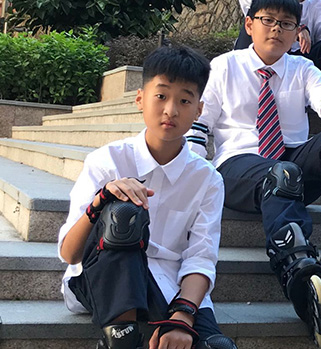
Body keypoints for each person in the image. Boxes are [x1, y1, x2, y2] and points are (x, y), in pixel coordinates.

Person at [186, 0, 321, 345]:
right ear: (249, 25)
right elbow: (198, 126)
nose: (276, 29)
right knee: (284, 173)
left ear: (298, 32)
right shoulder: (224, 66)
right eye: (268, 21)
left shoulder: (302, 68)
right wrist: (190, 181)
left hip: (292, 166)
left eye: (286, 24)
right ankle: (295, 268)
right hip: (237, 168)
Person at [58, 45, 236, 349]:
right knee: (124, 214)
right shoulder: (107, 161)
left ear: (199, 110)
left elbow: (200, 257)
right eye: (161, 96)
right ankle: (123, 336)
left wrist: (182, 316)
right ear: (140, 99)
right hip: (103, 276)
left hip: (171, 287)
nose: (171, 110)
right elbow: (70, 254)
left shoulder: (207, 179)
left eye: (184, 100)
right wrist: (101, 200)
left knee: (216, 346)